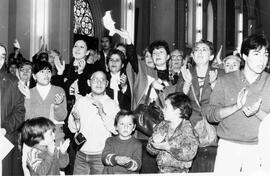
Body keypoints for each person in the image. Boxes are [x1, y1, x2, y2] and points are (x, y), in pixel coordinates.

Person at [203, 34, 270, 173]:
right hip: (229, 146)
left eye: (265, 55)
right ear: (244, 56)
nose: (262, 60)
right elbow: (210, 114)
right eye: (257, 54)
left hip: (260, 148)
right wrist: (236, 107)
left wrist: (257, 112)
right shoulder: (225, 80)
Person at [176, 40, 223, 172]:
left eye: (204, 49)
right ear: (192, 55)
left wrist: (214, 84)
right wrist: (186, 83)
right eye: (197, 50)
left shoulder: (221, 73)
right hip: (190, 127)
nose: (200, 52)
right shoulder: (186, 72)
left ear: (212, 56)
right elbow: (178, 101)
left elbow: (225, 102)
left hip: (214, 127)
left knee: (212, 167)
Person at [68, 71, 119, 175]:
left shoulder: (112, 104)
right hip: (81, 154)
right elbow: (71, 128)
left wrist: (102, 113)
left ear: (107, 83)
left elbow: (116, 130)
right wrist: (76, 120)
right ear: (88, 82)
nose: (99, 83)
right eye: (95, 79)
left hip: (101, 156)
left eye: (102, 80)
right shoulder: (81, 101)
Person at [147, 92, 199, 173]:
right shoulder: (163, 125)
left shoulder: (187, 130)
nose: (163, 110)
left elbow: (190, 154)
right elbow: (150, 150)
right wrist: (154, 143)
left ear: (177, 111)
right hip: (161, 170)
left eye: (166, 107)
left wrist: (168, 148)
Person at [25, 61, 67, 146]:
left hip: (56, 140)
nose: (46, 74)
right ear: (34, 76)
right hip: (35, 140)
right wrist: (27, 99)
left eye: (48, 71)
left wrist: (57, 106)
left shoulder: (59, 91)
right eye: (42, 72)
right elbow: (26, 119)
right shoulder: (28, 93)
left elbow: (62, 117)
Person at [0, 43, 25, 176]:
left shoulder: (13, 82)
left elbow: (19, 111)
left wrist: (5, 128)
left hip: (5, 138)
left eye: (2, 57)